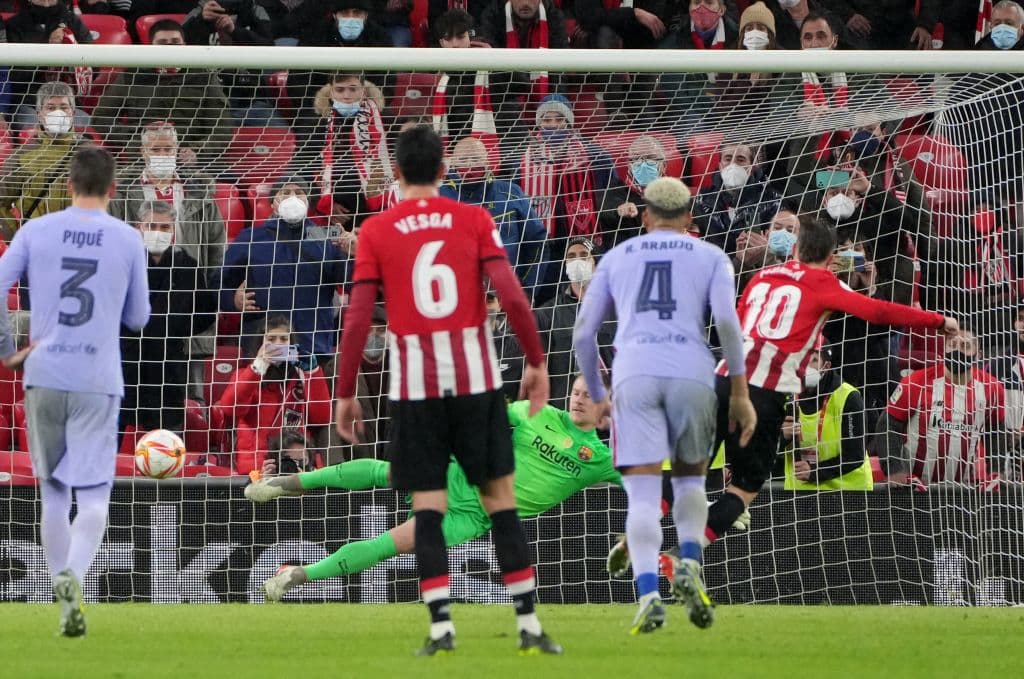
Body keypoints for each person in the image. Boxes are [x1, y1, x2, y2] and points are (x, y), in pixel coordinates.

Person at [333, 125, 560, 655]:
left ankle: (440, 631)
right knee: (500, 504)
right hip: (477, 383)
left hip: (416, 389)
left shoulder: (376, 230)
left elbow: (360, 316)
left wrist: (346, 391)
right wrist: (536, 360)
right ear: (444, 171)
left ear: (397, 172)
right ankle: (528, 625)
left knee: (428, 510)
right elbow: (513, 295)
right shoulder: (475, 218)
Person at [702, 219, 958, 548]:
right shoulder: (824, 284)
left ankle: (646, 528)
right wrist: (938, 321)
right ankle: (686, 550)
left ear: (794, 248)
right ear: (831, 256)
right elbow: (878, 312)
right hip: (764, 394)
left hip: (722, 378)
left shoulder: (760, 277)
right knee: (745, 489)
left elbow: (733, 324)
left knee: (688, 475)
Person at [574, 177, 756, 634]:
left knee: (642, 495)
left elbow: (583, 334)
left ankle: (649, 595)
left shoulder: (617, 257)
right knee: (692, 482)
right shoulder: (712, 256)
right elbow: (730, 327)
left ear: (647, 215)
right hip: (694, 372)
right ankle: (691, 560)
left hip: (635, 373)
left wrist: (598, 396)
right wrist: (738, 392)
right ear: (691, 216)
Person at [249, 375, 619, 599]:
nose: (578, 398)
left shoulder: (603, 458)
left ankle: (297, 575)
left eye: (590, 395)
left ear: (607, 410)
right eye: (576, 391)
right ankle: (289, 482)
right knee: (388, 471)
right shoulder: (537, 413)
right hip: (459, 474)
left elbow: (656, 477)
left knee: (388, 545)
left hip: (474, 515)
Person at [0, 147, 151, 637]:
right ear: (112, 189)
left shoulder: (36, 231)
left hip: (43, 373)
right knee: (92, 497)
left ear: (68, 185)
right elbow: (138, 317)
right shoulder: (128, 238)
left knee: (53, 493)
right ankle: (74, 579)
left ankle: (58, 588)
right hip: (97, 378)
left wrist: (8, 347)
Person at [218, 179, 351, 362]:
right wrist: (233, 300)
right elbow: (219, 282)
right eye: (286, 193)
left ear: (307, 202)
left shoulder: (328, 236)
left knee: (313, 391)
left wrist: (351, 255)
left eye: (299, 193)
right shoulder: (251, 237)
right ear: (273, 203)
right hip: (263, 346)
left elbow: (351, 283)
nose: (292, 198)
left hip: (312, 344)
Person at [120, 201, 217, 440]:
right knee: (118, 435)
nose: (159, 232)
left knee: (167, 439)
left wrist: (174, 327)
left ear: (174, 230)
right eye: (152, 225)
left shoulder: (187, 267)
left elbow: (205, 312)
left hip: (169, 368)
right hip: (124, 364)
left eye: (165, 227)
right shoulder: (121, 264)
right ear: (139, 227)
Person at [870, 325, 1008, 487]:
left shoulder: (992, 388)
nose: (957, 351)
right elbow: (887, 424)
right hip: (916, 488)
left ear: (978, 354)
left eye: (965, 346)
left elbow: (996, 432)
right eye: (952, 344)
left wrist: (996, 471)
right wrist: (894, 470)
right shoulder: (916, 381)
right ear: (944, 348)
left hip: (963, 491)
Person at [90, 19, 234, 165]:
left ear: (184, 46)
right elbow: (100, 118)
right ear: (151, 47)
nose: (170, 47)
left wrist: (198, 151)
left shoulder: (204, 77)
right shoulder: (132, 76)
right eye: (163, 43)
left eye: (175, 42)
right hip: (141, 160)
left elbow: (222, 128)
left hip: (190, 161)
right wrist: (137, 138)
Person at [211, 315, 332, 474]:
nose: (278, 344)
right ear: (261, 344)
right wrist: (258, 366)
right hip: (257, 465)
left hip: (298, 462)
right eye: (271, 339)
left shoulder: (302, 375)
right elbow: (230, 408)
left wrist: (313, 373)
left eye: (283, 339)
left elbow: (322, 418)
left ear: (292, 344)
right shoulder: (246, 374)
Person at [440, 136, 547, 289]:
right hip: (456, 294)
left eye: (476, 159)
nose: (470, 165)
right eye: (463, 160)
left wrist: (528, 289)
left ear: (487, 161)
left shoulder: (511, 193)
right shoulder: (438, 198)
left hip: (507, 292)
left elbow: (537, 242)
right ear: (454, 163)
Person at [780, 338, 873, 490]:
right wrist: (782, 436)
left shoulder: (848, 397)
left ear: (826, 366)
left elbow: (855, 456)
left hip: (848, 493)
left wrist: (815, 471)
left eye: (813, 360)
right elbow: (762, 449)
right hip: (800, 492)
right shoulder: (784, 395)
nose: (805, 366)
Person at [535, 236, 615, 410]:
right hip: (565, 410)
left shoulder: (616, 308)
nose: (576, 261)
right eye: (571, 256)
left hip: (610, 408)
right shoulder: (547, 313)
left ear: (596, 262)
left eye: (584, 255)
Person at [0, 82, 85, 240]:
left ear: (73, 112)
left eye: (64, 107)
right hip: (35, 245)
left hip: (77, 244)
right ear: (39, 114)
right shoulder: (22, 155)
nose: (58, 113)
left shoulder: (90, 153)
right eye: (51, 108)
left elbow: (108, 199)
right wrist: (13, 230)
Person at [692, 142, 781, 255]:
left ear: (750, 168)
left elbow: (780, 252)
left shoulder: (773, 201)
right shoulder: (701, 200)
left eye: (740, 160)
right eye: (728, 159)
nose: (733, 165)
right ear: (720, 166)